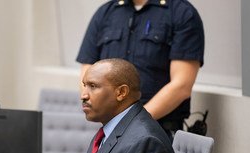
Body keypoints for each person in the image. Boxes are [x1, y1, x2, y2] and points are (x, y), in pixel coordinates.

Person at [77, 0, 204, 140]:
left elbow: (181, 86)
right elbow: (87, 74)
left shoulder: (182, 13)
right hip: (108, 132)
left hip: (158, 132)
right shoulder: (105, 13)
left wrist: (128, 123)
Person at [79, 59, 183, 153]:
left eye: (93, 86)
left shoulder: (145, 143)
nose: (84, 95)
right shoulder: (109, 130)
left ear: (121, 93)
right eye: (84, 86)